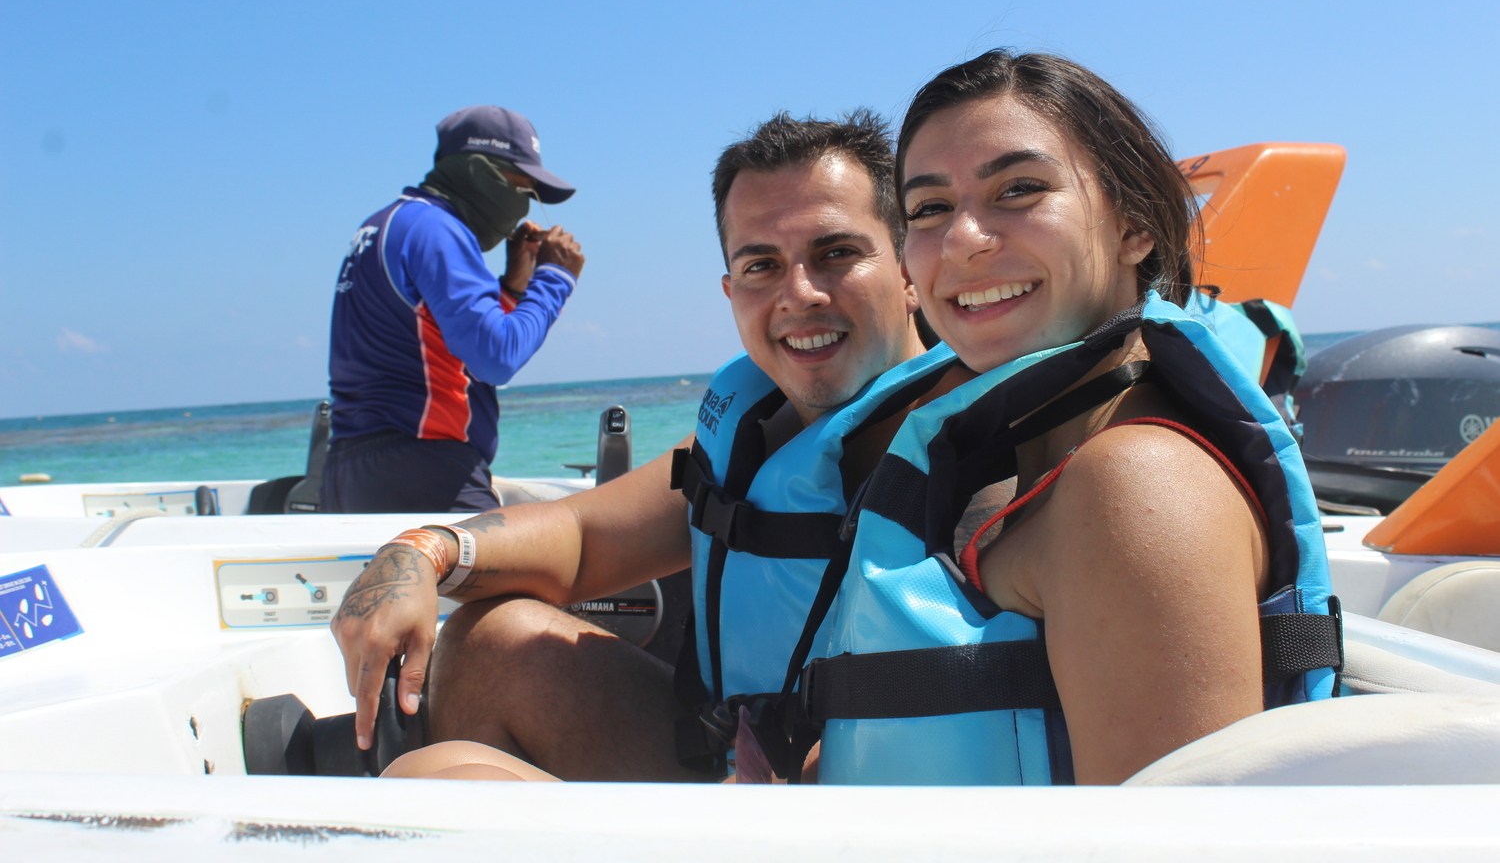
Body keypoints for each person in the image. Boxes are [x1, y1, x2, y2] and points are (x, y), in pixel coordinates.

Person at [771, 50, 1341, 786]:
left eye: (1019, 189)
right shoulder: (1042, 453)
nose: (964, 240)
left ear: (1135, 224)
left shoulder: (1138, 487)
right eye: (929, 209)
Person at [330, 111, 948, 781]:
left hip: (889, 809)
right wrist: (422, 552)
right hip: (738, 767)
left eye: (836, 254)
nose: (798, 294)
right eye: (761, 265)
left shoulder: (973, 443)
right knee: (488, 641)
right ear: (731, 291)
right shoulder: (755, 430)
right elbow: (581, 535)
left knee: (433, 784)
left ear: (912, 267)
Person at [321, 105, 586, 513]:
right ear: (482, 173)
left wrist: (514, 286)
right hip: (423, 467)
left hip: (350, 468)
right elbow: (495, 357)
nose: (527, 207)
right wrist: (555, 278)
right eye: (523, 189)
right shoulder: (439, 231)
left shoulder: (385, 224)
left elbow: (436, 342)